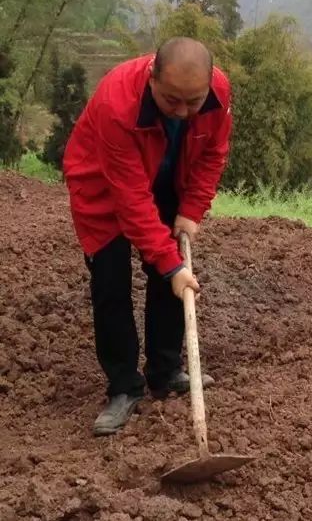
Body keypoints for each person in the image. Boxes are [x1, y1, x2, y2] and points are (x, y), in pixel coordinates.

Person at [63, 37, 233, 436]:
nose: (182, 111)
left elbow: (213, 153)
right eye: (171, 100)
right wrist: (171, 264)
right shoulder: (116, 103)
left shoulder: (218, 95)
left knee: (169, 280)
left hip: (169, 178)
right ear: (151, 76)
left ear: (209, 85)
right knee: (111, 284)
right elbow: (131, 199)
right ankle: (124, 387)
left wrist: (191, 210)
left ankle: (165, 369)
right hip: (103, 186)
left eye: (193, 102)